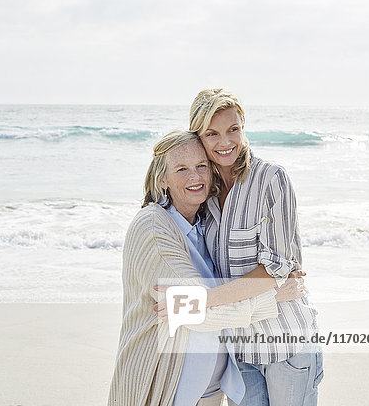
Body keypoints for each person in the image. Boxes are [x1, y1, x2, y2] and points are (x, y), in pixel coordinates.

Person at [107, 130, 304, 406]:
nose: (195, 177)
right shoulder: (153, 227)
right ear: (162, 178)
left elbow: (222, 289)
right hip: (166, 388)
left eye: (201, 166)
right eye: (181, 169)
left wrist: (272, 273)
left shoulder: (205, 225)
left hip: (209, 392)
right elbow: (190, 309)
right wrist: (274, 295)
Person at [189, 88, 324, 406]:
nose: (225, 142)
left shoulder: (271, 179)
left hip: (286, 346)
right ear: (199, 138)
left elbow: (274, 269)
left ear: (243, 127)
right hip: (240, 353)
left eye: (233, 129)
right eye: (212, 133)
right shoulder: (202, 193)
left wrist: (206, 301)